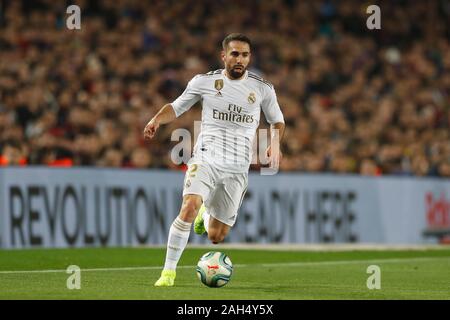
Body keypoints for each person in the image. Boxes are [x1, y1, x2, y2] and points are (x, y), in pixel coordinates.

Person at [143, 33, 285, 286]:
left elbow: (277, 121)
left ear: (249, 57)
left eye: (244, 54)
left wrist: (274, 144)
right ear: (224, 56)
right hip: (206, 157)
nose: (240, 59)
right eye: (235, 54)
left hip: (237, 167)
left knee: (216, 236)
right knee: (188, 206)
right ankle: (168, 273)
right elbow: (176, 107)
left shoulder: (262, 88)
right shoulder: (204, 82)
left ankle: (207, 212)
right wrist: (156, 120)